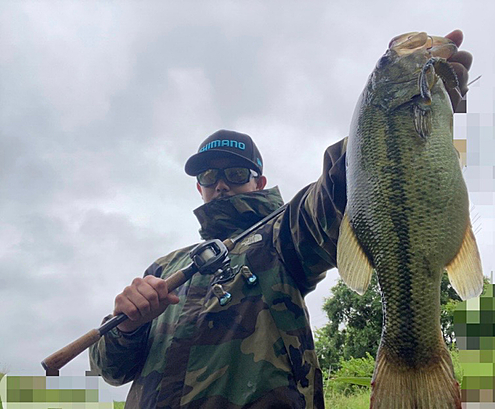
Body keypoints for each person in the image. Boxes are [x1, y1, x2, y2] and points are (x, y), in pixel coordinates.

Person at [89, 30, 472, 408]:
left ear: (260, 182)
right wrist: (127, 325)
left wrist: (401, 122)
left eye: (236, 174)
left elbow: (336, 194)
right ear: (199, 187)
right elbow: (112, 370)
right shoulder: (164, 268)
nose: (221, 185)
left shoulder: (282, 237)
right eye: (209, 176)